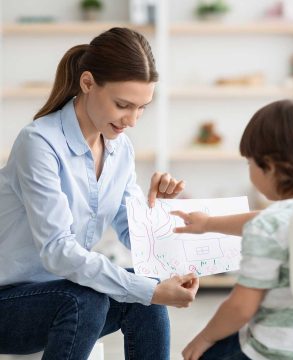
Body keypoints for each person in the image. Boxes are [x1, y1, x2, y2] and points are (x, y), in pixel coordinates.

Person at [0, 27, 199, 360]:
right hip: (11, 304)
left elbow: (131, 231)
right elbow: (57, 251)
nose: (132, 120)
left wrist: (156, 210)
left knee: (142, 298)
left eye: (141, 108)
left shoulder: (120, 148)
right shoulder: (39, 143)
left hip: (69, 296)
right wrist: (148, 289)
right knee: (93, 298)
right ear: (88, 83)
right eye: (123, 105)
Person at [171, 98, 293, 360]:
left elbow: (240, 309)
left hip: (275, 352)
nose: (249, 169)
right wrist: (208, 224)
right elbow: (267, 220)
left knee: (204, 352)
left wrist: (204, 337)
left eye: (249, 162)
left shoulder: (269, 226)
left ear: (271, 167)